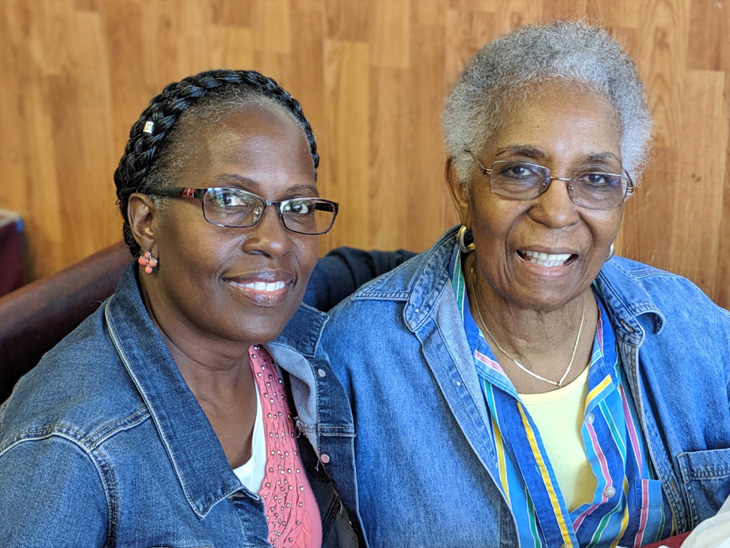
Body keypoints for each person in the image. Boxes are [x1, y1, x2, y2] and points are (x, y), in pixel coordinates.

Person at [321, 21, 730, 548]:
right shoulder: (354, 360)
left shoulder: (694, 328)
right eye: (519, 171)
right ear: (462, 186)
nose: (557, 212)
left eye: (595, 179)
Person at [0, 69, 409, 547]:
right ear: (147, 221)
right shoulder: (68, 449)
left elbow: (360, 271)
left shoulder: (269, 322)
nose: (276, 242)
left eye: (297, 207)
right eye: (230, 200)